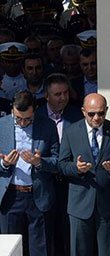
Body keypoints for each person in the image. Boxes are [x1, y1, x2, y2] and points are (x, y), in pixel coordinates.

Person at [58, 93, 110, 256]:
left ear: (106, 111)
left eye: (101, 113)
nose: (96, 118)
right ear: (83, 111)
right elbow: (61, 164)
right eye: (91, 114)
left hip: (107, 204)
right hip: (80, 204)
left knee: (109, 251)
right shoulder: (71, 132)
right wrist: (77, 168)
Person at [0, 91, 59, 256]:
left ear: (35, 110)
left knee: (40, 249)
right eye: (18, 118)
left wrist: (39, 162)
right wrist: (4, 163)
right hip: (10, 196)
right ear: (12, 110)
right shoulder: (2, 125)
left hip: (38, 196)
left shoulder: (47, 126)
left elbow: (58, 161)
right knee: (9, 249)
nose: (22, 122)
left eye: (27, 119)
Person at [35, 73, 83, 256]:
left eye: (65, 93)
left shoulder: (77, 114)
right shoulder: (36, 115)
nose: (63, 98)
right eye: (57, 94)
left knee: (68, 229)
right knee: (46, 231)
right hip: (45, 182)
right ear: (46, 96)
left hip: (70, 182)